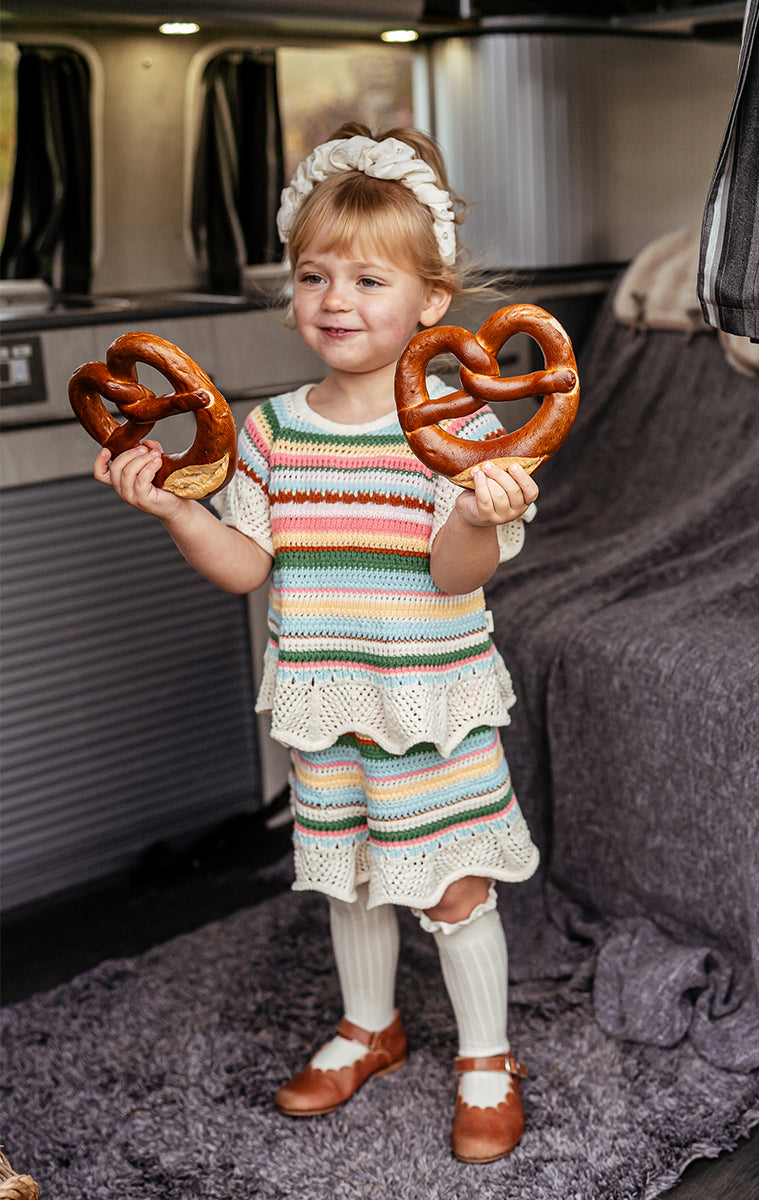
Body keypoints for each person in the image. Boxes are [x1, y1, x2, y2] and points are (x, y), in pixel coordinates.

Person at [93, 122, 540, 1164]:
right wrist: (177, 509)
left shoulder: (462, 433)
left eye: (369, 280)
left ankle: (487, 1058)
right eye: (313, 276)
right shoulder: (271, 431)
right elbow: (246, 565)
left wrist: (477, 513)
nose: (336, 300)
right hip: (324, 701)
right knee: (349, 875)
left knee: (453, 885)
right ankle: (369, 1028)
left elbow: (455, 574)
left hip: (429, 705)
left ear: (431, 300)